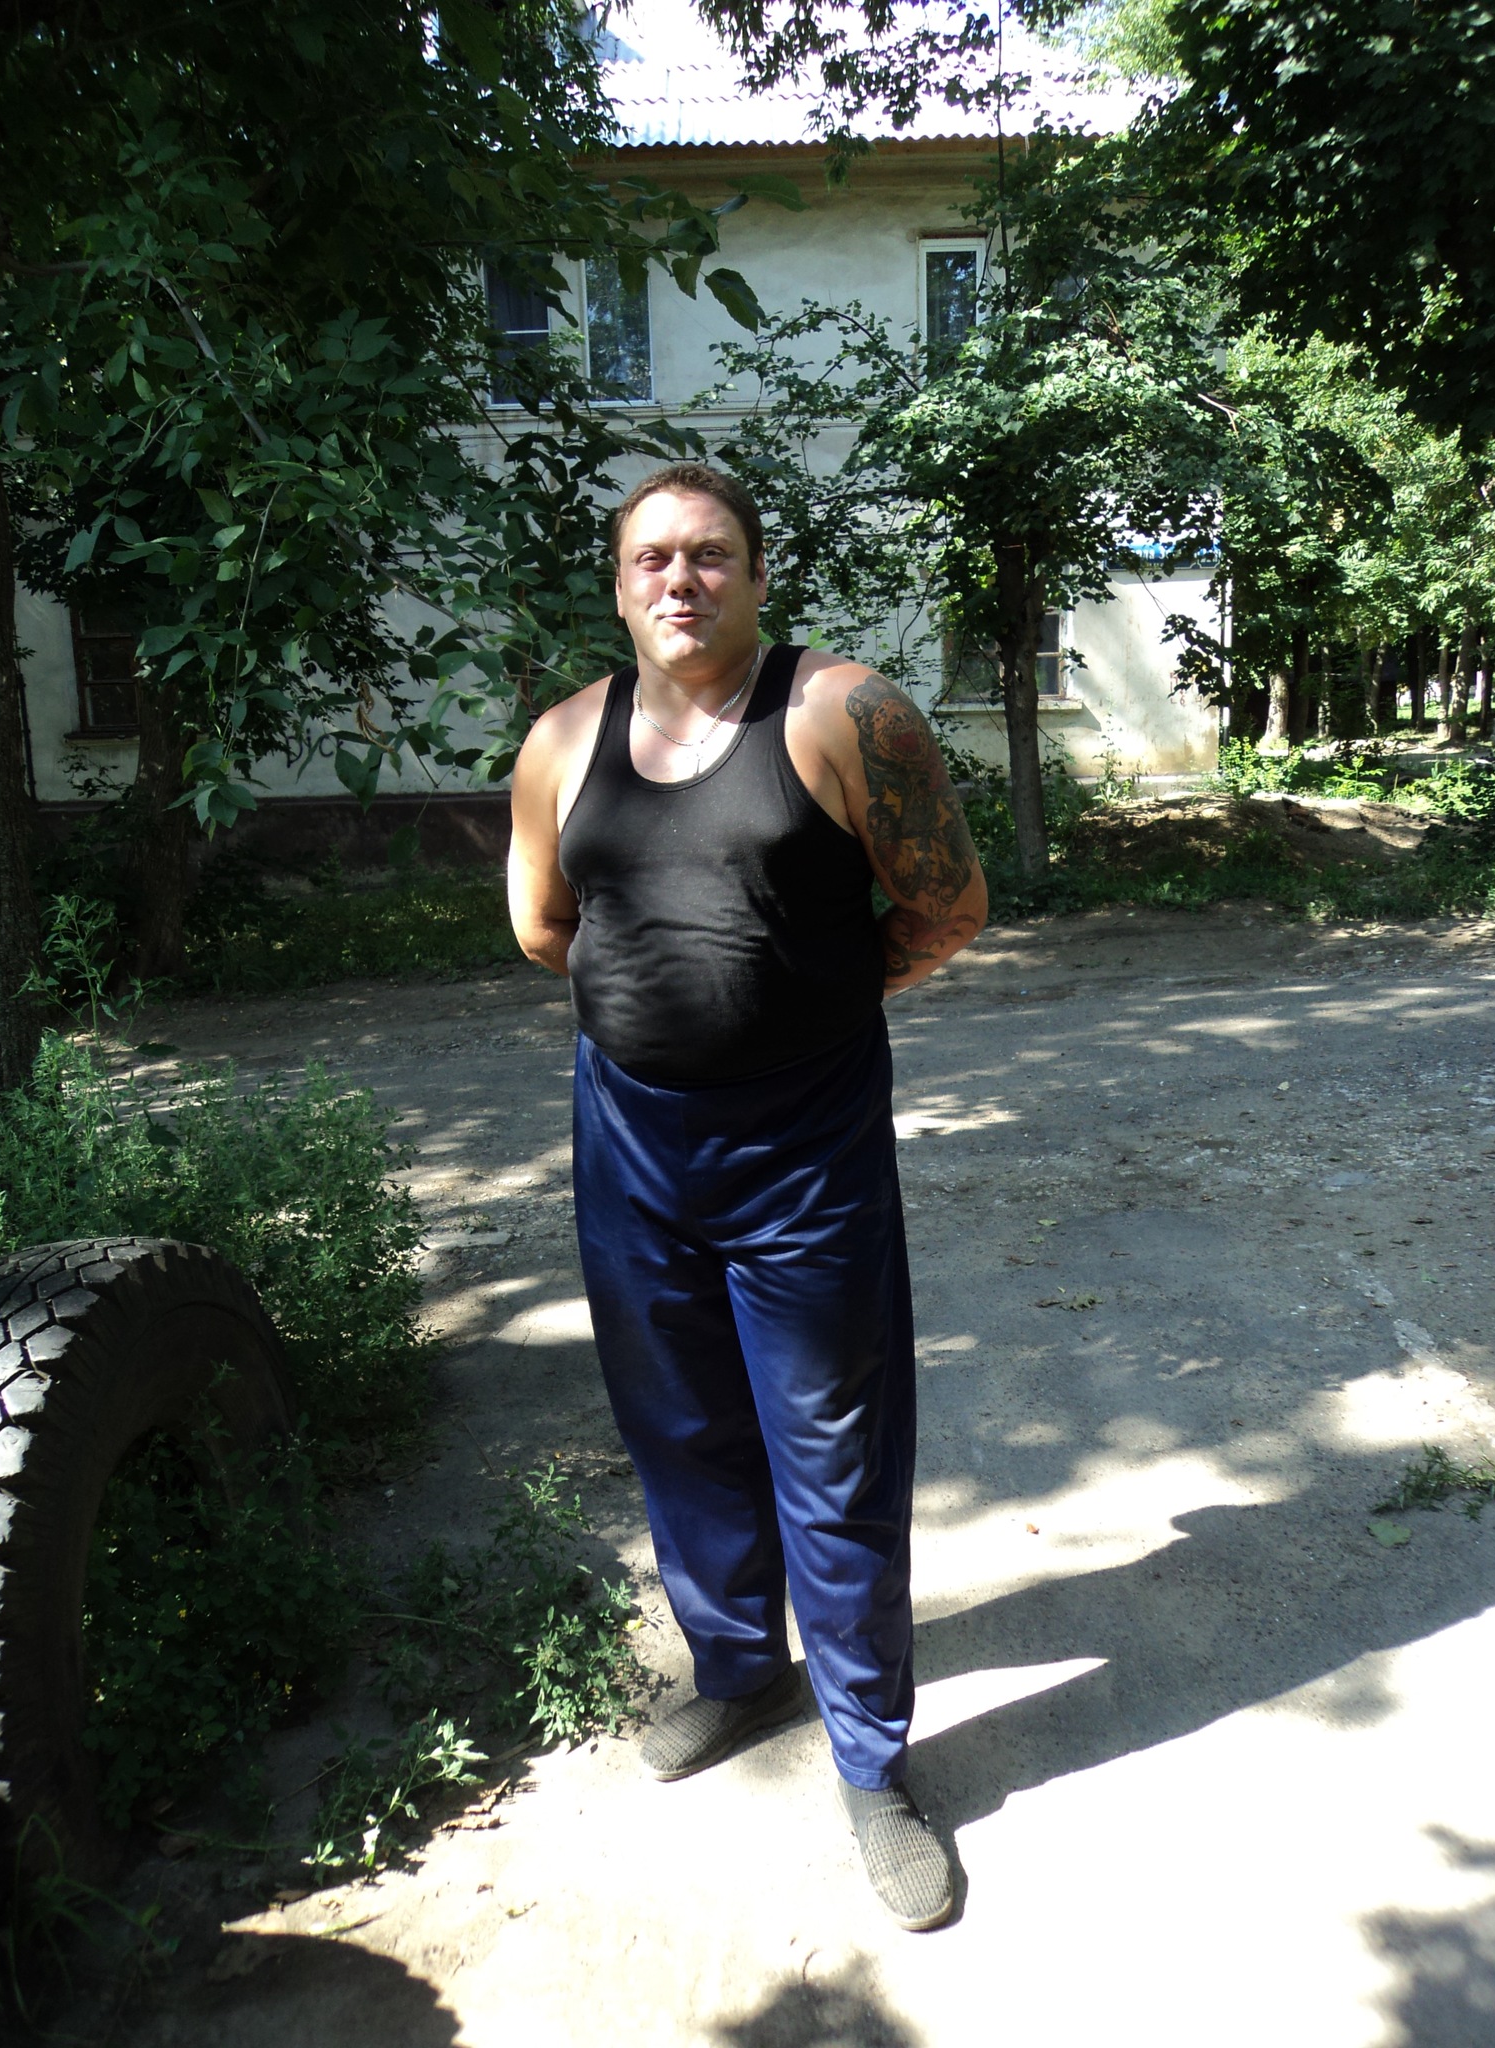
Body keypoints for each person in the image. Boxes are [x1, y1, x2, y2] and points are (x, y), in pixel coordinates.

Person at [507, 462, 987, 1930]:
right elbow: (545, 927)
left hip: (807, 1150)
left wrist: (809, 1000)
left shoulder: (842, 714)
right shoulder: (563, 740)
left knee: (832, 1454)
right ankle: (738, 1669)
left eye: (711, 554)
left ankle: (873, 1764)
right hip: (631, 1148)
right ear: (617, 586)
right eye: (652, 557)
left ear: (761, 577)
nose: (681, 579)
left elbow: (948, 905)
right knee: (682, 1432)